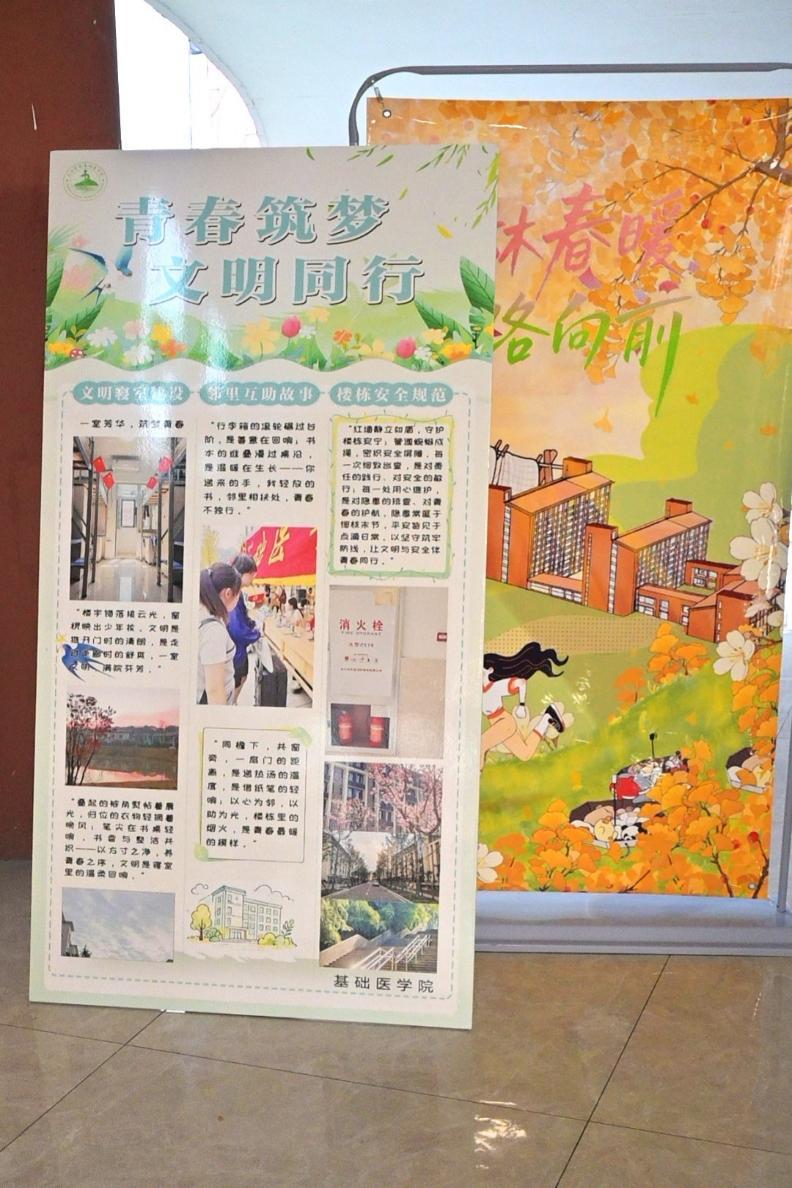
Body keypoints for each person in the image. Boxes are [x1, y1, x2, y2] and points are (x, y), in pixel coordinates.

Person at [480, 641, 568, 769]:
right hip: (496, 722)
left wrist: (521, 705)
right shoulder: (479, 689)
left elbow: (521, 683)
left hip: (504, 722)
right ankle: (547, 717)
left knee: (481, 745)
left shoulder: (497, 686)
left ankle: (475, 775)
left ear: (490, 670)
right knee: (525, 753)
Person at [197, 563, 241, 705]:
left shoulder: (202, 610)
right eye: (238, 594)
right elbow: (215, 691)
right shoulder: (213, 631)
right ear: (228, 593)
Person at [227, 553, 261, 704]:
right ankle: (231, 704)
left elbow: (242, 617)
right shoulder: (233, 592)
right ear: (245, 573)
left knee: (242, 676)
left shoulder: (237, 591)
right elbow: (237, 629)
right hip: (234, 649)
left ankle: (233, 702)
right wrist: (256, 633)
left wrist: (252, 624)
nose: (253, 577)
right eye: (252, 573)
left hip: (237, 648)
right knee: (236, 681)